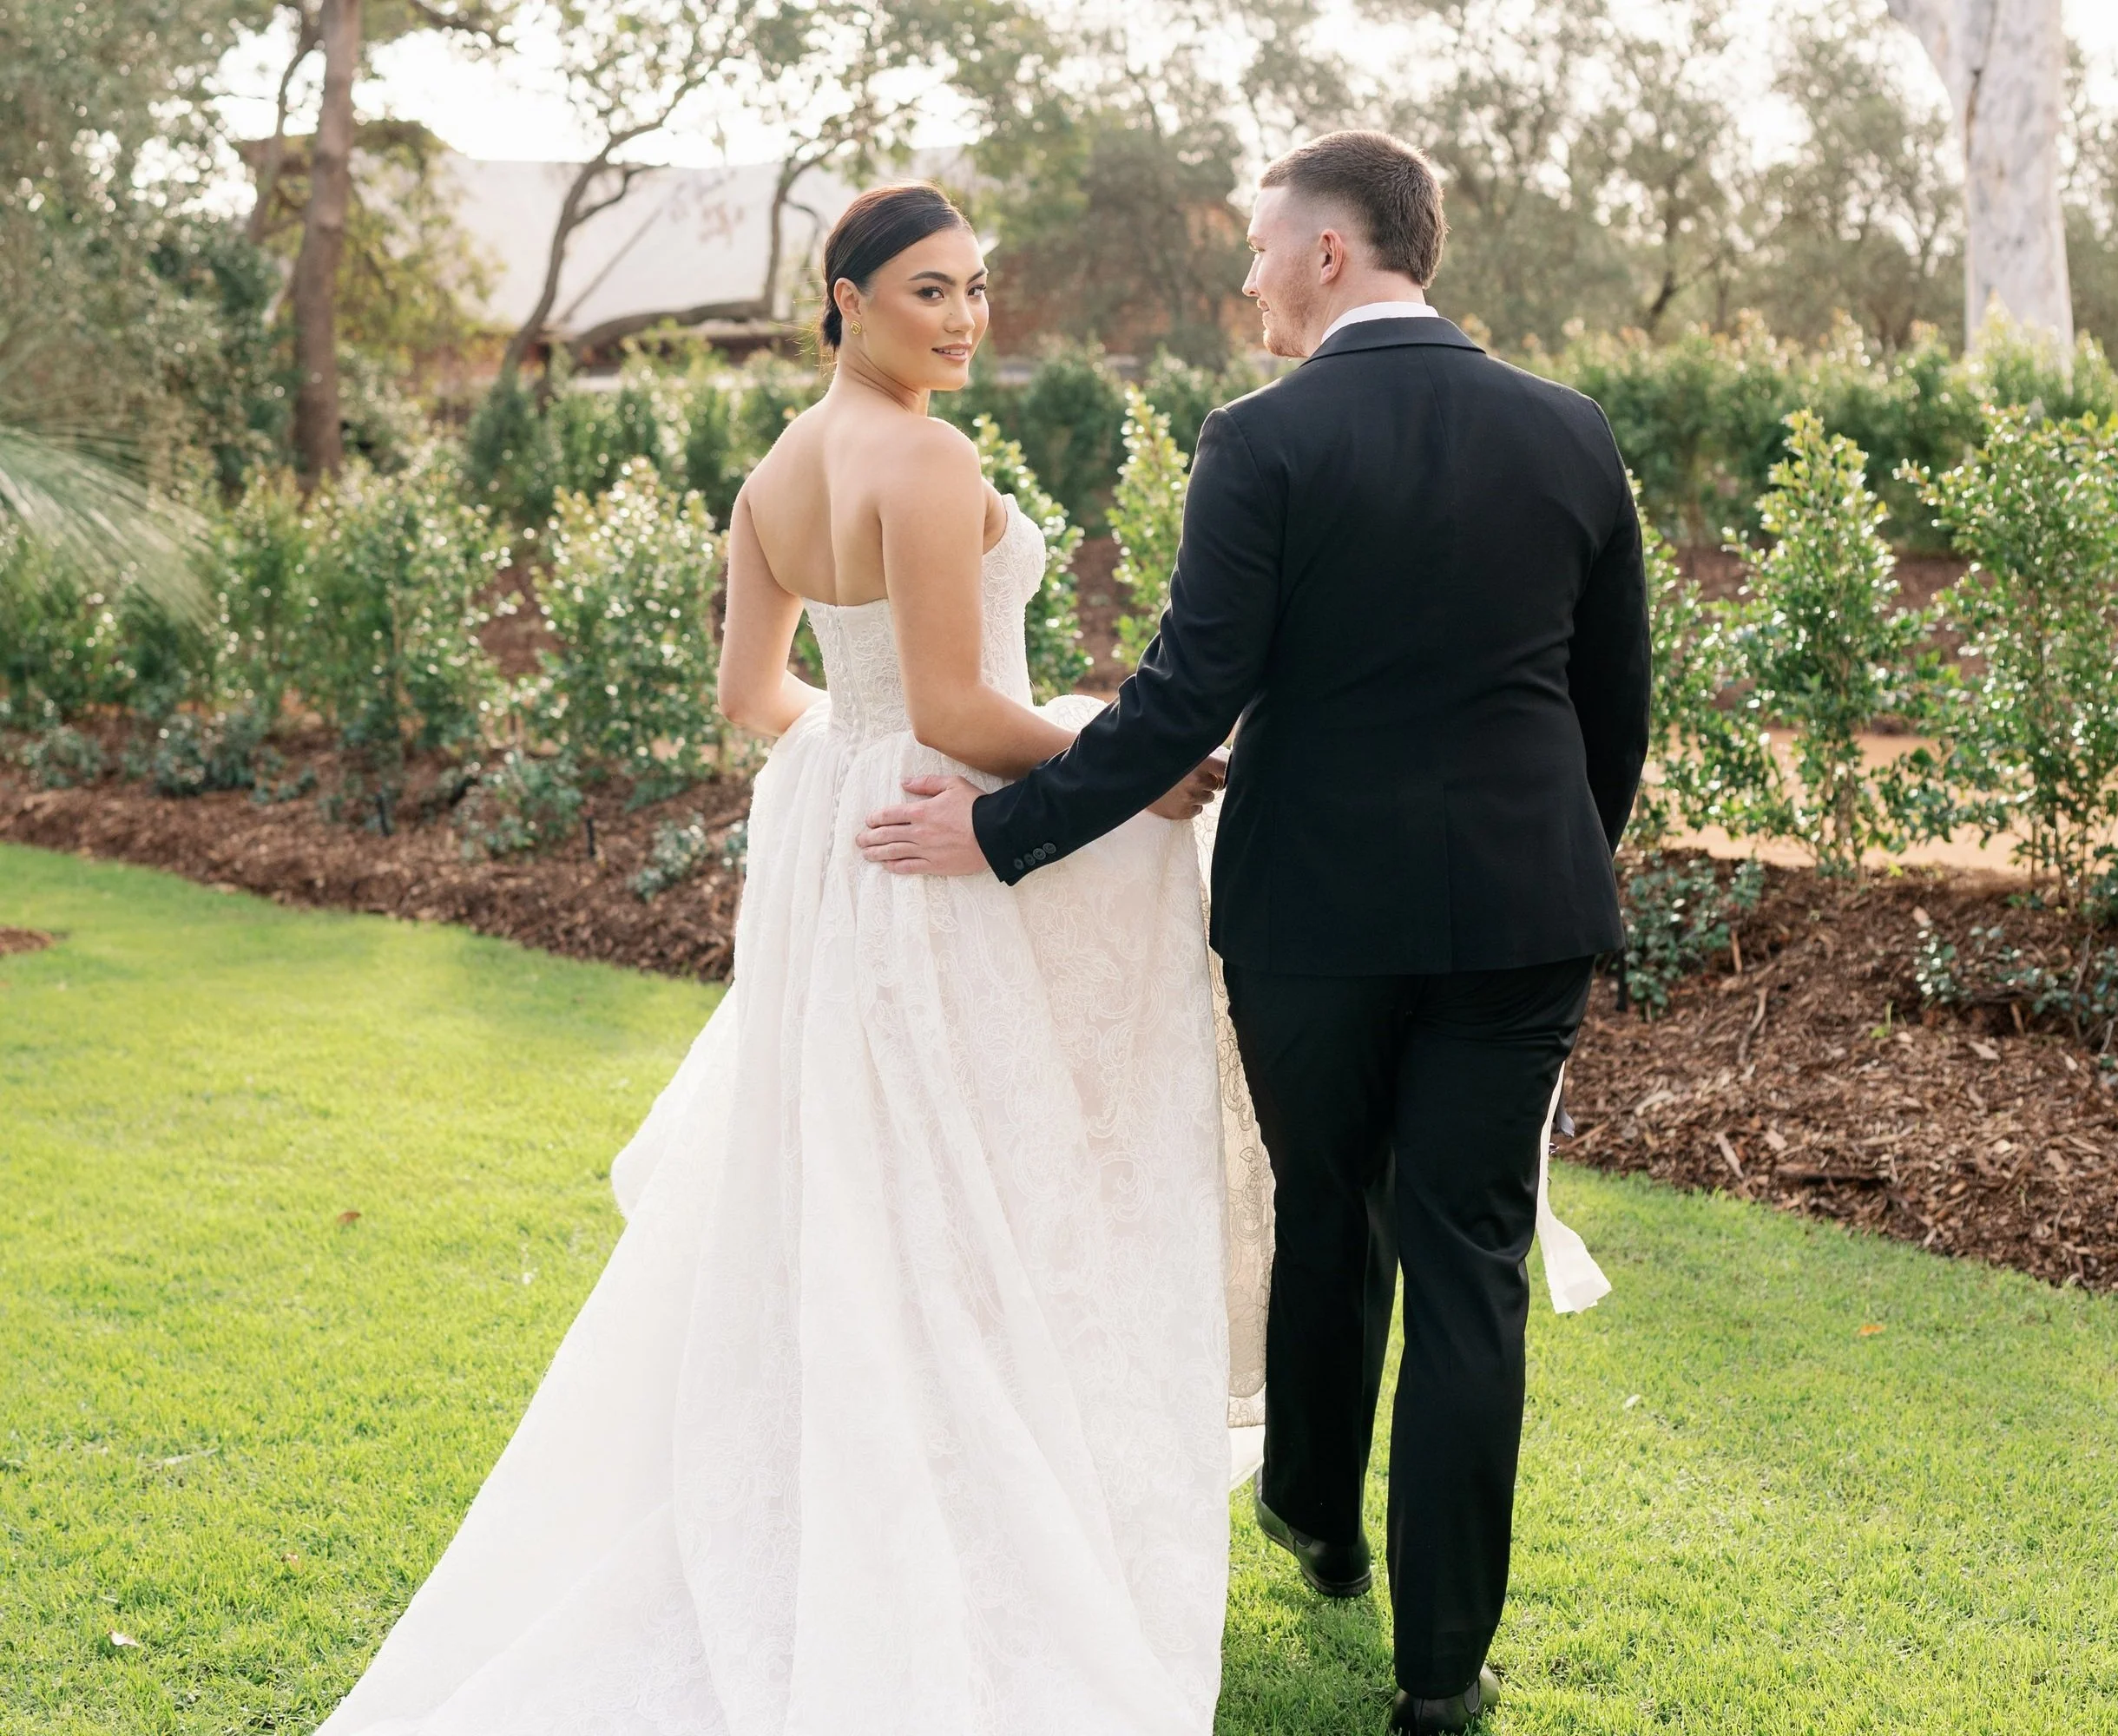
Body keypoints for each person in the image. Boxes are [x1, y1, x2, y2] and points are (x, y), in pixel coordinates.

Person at [317, 181, 1236, 1736]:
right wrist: (1131, 769)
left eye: (977, 288)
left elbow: (756, 697)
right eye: (930, 290)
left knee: (867, 1171)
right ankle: (959, 1490)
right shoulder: (927, 460)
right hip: (935, 845)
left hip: (844, 849)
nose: (964, 318)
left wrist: (856, 754)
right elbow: (953, 708)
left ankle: (864, 1464)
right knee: (958, 1176)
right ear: (847, 299)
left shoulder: (774, 472)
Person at [858, 132, 1649, 1734]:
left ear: (1329, 255)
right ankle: (1442, 1673)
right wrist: (1554, 865)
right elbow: (1610, 706)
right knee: (1471, 1262)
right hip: (1522, 920)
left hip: (1311, 917)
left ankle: (1315, 1518)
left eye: (1259, 247)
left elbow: (1182, 701)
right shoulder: (1570, 429)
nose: (1246, 278)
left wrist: (999, 833)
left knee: (1325, 1206)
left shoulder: (1260, 438)